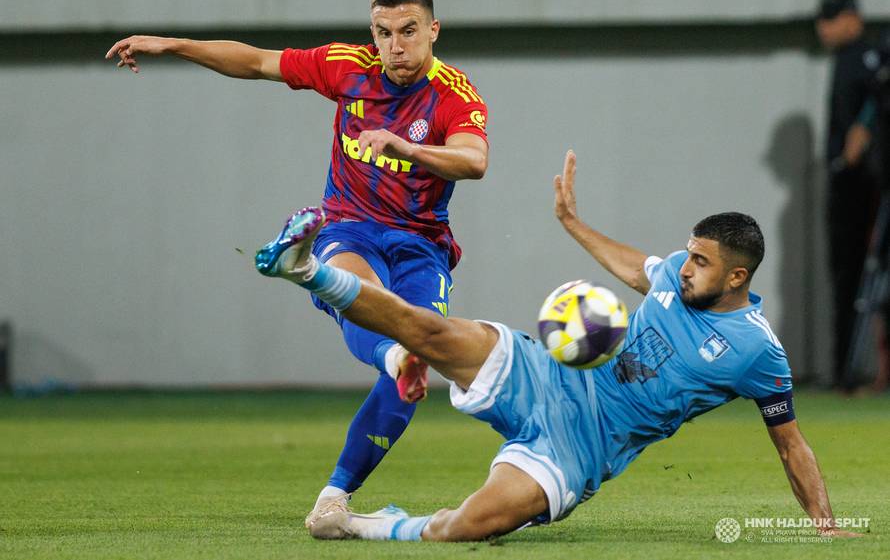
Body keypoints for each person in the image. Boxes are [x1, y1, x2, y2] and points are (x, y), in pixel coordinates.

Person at [253, 150, 860, 541]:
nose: (684, 269)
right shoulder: (677, 271)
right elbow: (636, 268)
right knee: (430, 330)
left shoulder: (758, 352)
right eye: (688, 255)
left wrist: (825, 528)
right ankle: (304, 269)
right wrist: (573, 224)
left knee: (468, 527)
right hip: (545, 373)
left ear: (737, 278)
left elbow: (791, 445)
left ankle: (361, 526)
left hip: (582, 447)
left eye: (701, 263)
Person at [105, 0, 489, 527]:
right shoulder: (346, 66)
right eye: (383, 33)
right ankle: (381, 342)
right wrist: (174, 45)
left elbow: (473, 161)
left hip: (421, 244)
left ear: (433, 30)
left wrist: (407, 147)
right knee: (373, 308)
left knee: (414, 368)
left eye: (408, 32)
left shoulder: (454, 93)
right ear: (372, 34)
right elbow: (257, 61)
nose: (395, 46)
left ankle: (333, 498)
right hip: (349, 228)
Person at [815, 0, 881, 389]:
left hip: (866, 186)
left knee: (862, 277)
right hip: (844, 184)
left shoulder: (869, 59)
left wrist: (865, 130)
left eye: (829, 19)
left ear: (852, 17)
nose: (822, 28)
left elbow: (873, 110)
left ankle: (853, 372)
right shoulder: (844, 60)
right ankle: (844, 372)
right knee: (844, 275)